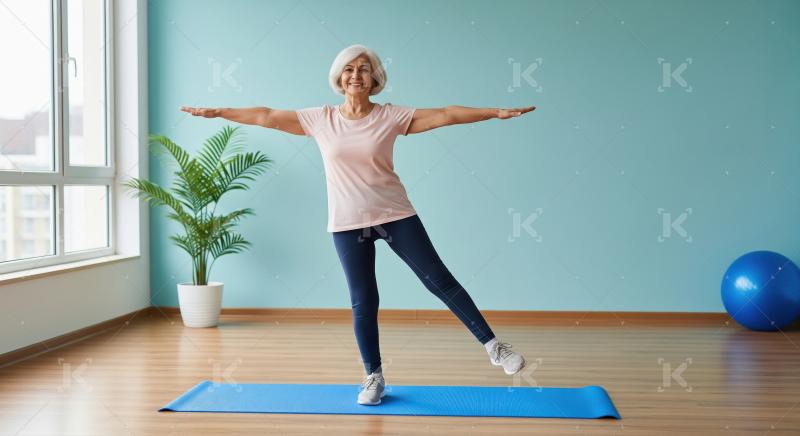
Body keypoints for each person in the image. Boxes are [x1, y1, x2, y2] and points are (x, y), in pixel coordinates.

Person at [181, 44, 536, 406]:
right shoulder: (320, 119)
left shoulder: (391, 116)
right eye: (349, 69)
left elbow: (446, 114)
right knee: (363, 300)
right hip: (348, 223)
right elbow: (266, 115)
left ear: (375, 78)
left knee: (438, 279)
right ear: (339, 77)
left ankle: (495, 348)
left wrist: (493, 112)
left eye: (364, 69)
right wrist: (220, 111)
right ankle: (373, 377)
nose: (356, 75)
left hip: (395, 215)